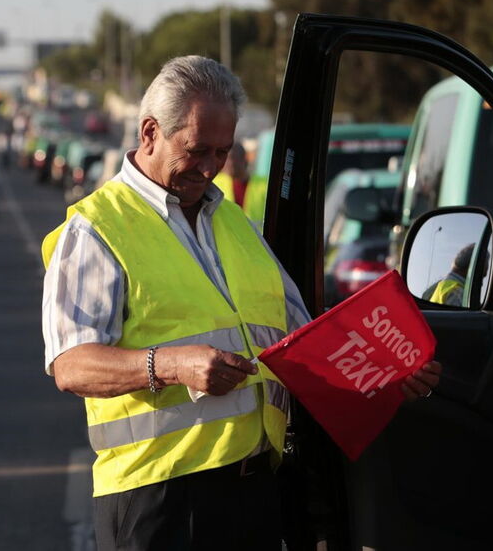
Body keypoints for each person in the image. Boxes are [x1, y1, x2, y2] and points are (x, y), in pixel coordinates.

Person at [41, 56, 441, 551]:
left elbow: (304, 339)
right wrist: (169, 364)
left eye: (222, 152)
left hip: (254, 489)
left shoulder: (234, 225)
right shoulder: (96, 228)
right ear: (149, 133)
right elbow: (71, 365)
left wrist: (386, 370)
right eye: (197, 150)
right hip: (157, 498)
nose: (210, 168)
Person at [212, 141, 250, 206]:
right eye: (225, 159)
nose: (228, 163)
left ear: (244, 159)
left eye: (232, 158)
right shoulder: (213, 184)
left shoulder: (264, 185)